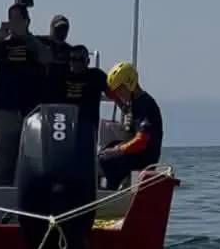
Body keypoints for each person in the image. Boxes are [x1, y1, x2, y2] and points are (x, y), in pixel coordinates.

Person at [0, 3, 51, 185]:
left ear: (27, 21)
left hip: (32, 112)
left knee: (33, 160)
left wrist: (26, 37)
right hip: (7, 111)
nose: (15, 23)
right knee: (5, 164)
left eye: (19, 19)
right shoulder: (2, 45)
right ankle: (5, 208)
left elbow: (46, 58)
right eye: (12, 19)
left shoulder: (35, 44)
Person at [98, 61, 163, 190]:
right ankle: (112, 188)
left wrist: (118, 149)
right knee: (105, 150)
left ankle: (110, 194)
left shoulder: (144, 104)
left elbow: (141, 141)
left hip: (145, 157)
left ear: (129, 83)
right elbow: (112, 94)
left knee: (105, 159)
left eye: (120, 90)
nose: (118, 94)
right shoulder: (134, 102)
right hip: (139, 153)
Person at [58, 45, 108, 132]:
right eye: (73, 59)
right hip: (64, 127)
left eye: (80, 60)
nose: (76, 63)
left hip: (87, 128)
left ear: (87, 61)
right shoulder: (61, 77)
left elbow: (114, 90)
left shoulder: (96, 76)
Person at [38, 14, 72, 100]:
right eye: (58, 28)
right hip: (40, 96)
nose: (61, 32)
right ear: (52, 28)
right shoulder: (39, 43)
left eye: (64, 29)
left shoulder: (71, 51)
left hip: (62, 98)